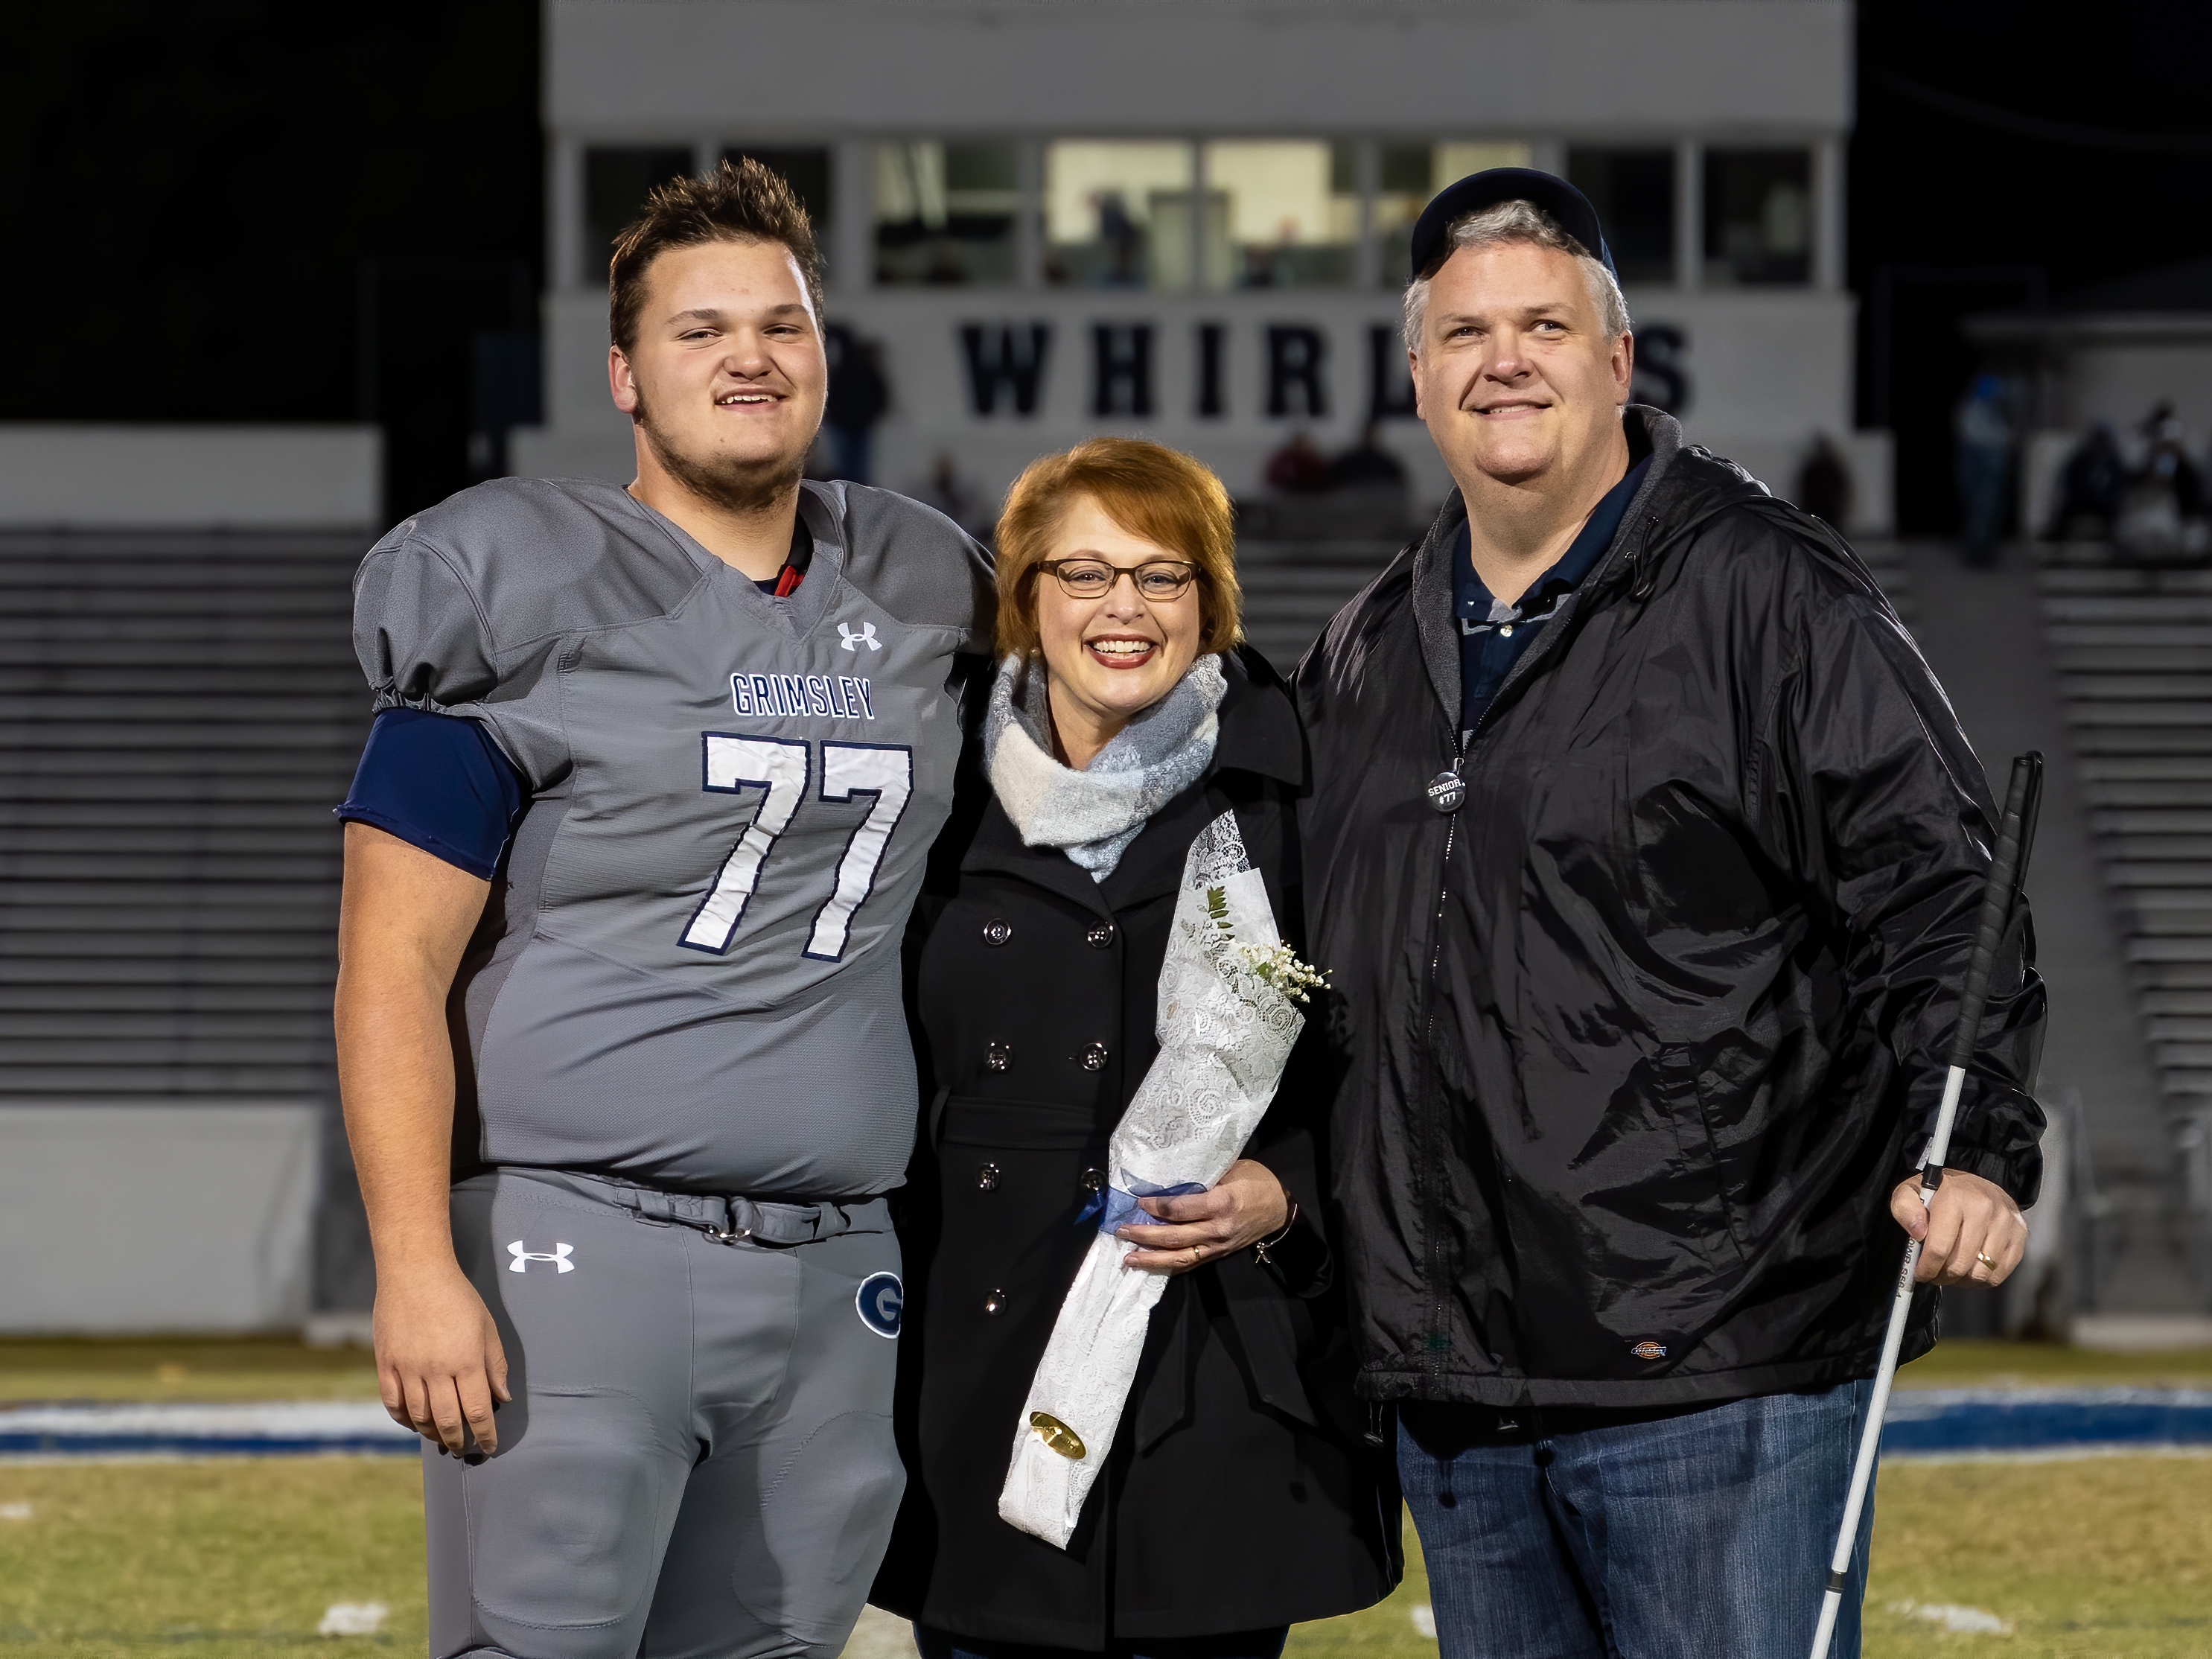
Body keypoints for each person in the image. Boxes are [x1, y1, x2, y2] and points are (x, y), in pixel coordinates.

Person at [1295, 168, 2045, 1658]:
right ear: (1418, 378)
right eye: (1464, 333)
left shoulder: (1771, 594)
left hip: (1719, 1367)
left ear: (1619, 361)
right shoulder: (1369, 644)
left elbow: (1933, 892)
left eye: (1544, 323)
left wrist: (1969, 1144)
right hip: (1463, 1385)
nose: (1504, 358)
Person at [332, 158, 992, 1659]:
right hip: (580, 1251)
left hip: (839, 1272)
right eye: (701, 331)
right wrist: (414, 1262)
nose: (749, 356)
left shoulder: (922, 587)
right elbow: (390, 972)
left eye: (782, 324)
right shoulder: (510, 585)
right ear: (624, 375)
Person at [873, 438, 1401, 1658]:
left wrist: (1287, 1189)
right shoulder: (926, 791)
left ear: (1210, 603)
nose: (1125, 608)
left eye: (1163, 576)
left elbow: (1387, 1058)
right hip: (980, 1370)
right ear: (1027, 597)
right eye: (1086, 572)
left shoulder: (1299, 791)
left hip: (1214, 1378)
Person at [1954, 372, 2015, 566]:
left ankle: (1987, 550)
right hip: (1979, 472)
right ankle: (1975, 553)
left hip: (1994, 474)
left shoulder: (1994, 413)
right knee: (1980, 513)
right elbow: (1979, 437)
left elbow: (2005, 437)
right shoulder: (1971, 410)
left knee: (1993, 512)